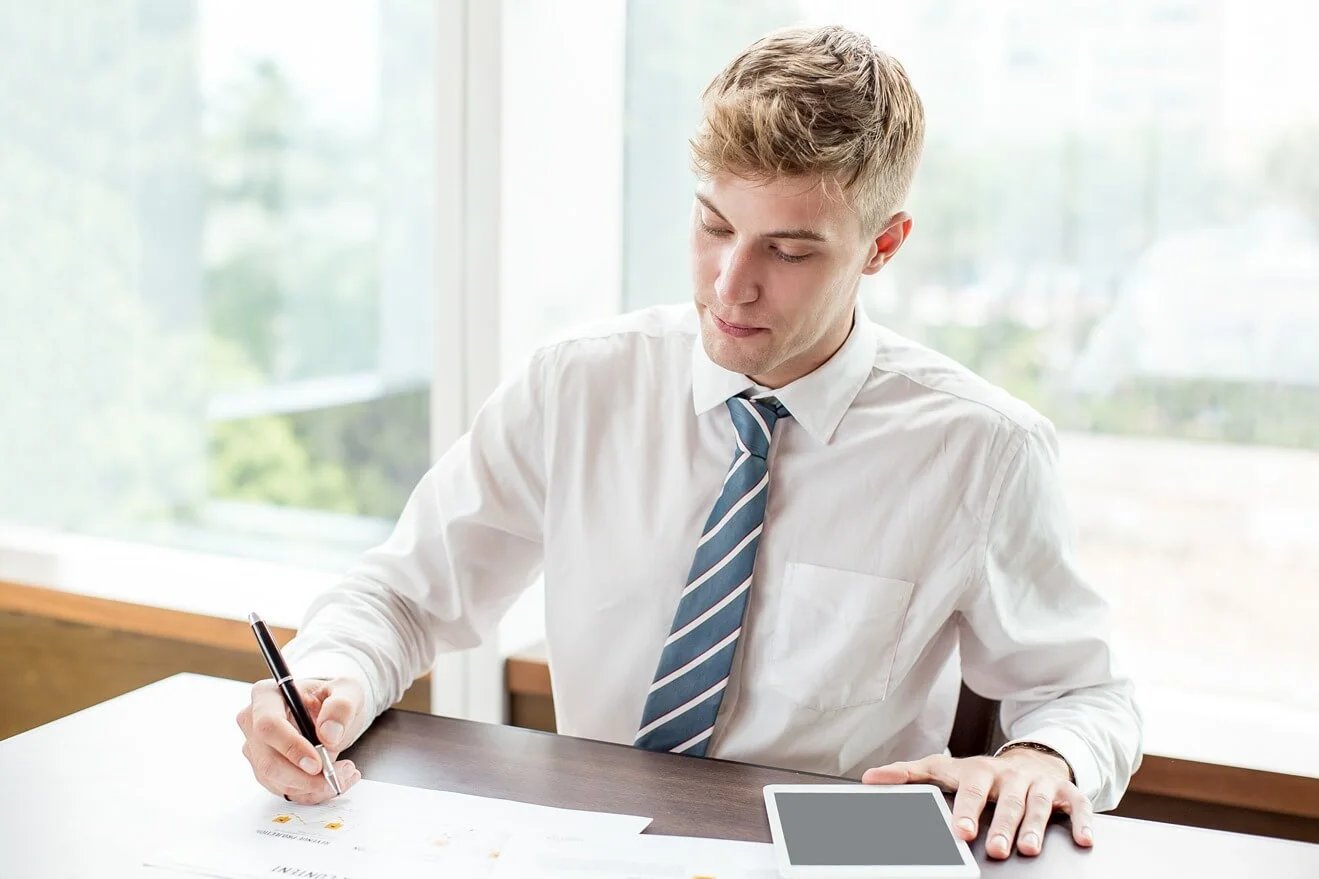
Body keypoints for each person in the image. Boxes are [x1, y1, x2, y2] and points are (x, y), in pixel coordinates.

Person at [236, 24, 1142, 860]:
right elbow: (402, 594)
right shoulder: (579, 383)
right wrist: (329, 677)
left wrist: (1040, 756)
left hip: (835, 854)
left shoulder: (981, 448)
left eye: (787, 252)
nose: (729, 284)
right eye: (713, 225)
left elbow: (1083, 693)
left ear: (883, 244)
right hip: (592, 840)